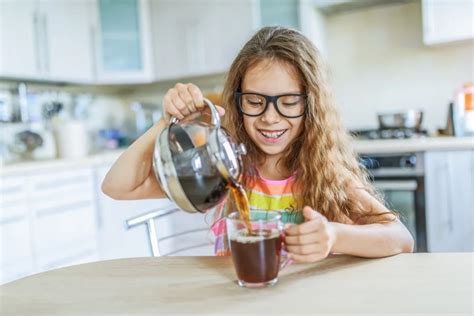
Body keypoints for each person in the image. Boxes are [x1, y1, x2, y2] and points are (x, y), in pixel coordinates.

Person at [102, 26, 414, 262]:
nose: (270, 117)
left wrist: (334, 236)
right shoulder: (222, 172)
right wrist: (165, 122)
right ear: (238, 102)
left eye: (289, 102)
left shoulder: (325, 175)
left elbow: (400, 238)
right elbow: (118, 186)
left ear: (312, 105)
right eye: (255, 101)